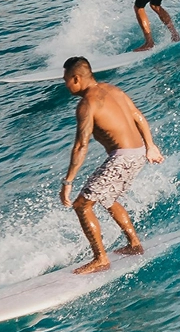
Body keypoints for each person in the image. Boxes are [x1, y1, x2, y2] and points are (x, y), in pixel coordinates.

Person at [59, 57, 165, 274]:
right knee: (107, 197)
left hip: (122, 157)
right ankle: (134, 244)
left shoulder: (87, 104)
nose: (65, 85)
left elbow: (81, 146)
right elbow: (138, 116)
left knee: (82, 205)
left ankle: (100, 258)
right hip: (137, 153)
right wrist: (150, 146)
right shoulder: (113, 90)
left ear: (76, 78)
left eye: (66, 80)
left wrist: (68, 181)